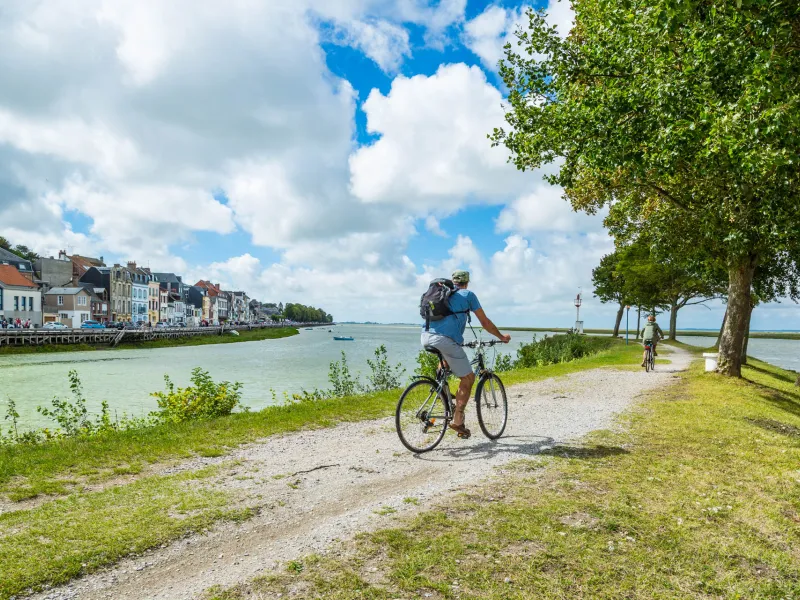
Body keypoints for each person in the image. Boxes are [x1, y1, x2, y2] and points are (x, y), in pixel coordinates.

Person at [420, 270, 510, 439]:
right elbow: (485, 322)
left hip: (425, 337)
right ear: (467, 281)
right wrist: (501, 337)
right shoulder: (468, 294)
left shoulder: (441, 294)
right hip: (444, 340)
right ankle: (458, 420)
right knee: (468, 378)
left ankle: (443, 396)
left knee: (446, 361)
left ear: (453, 281)